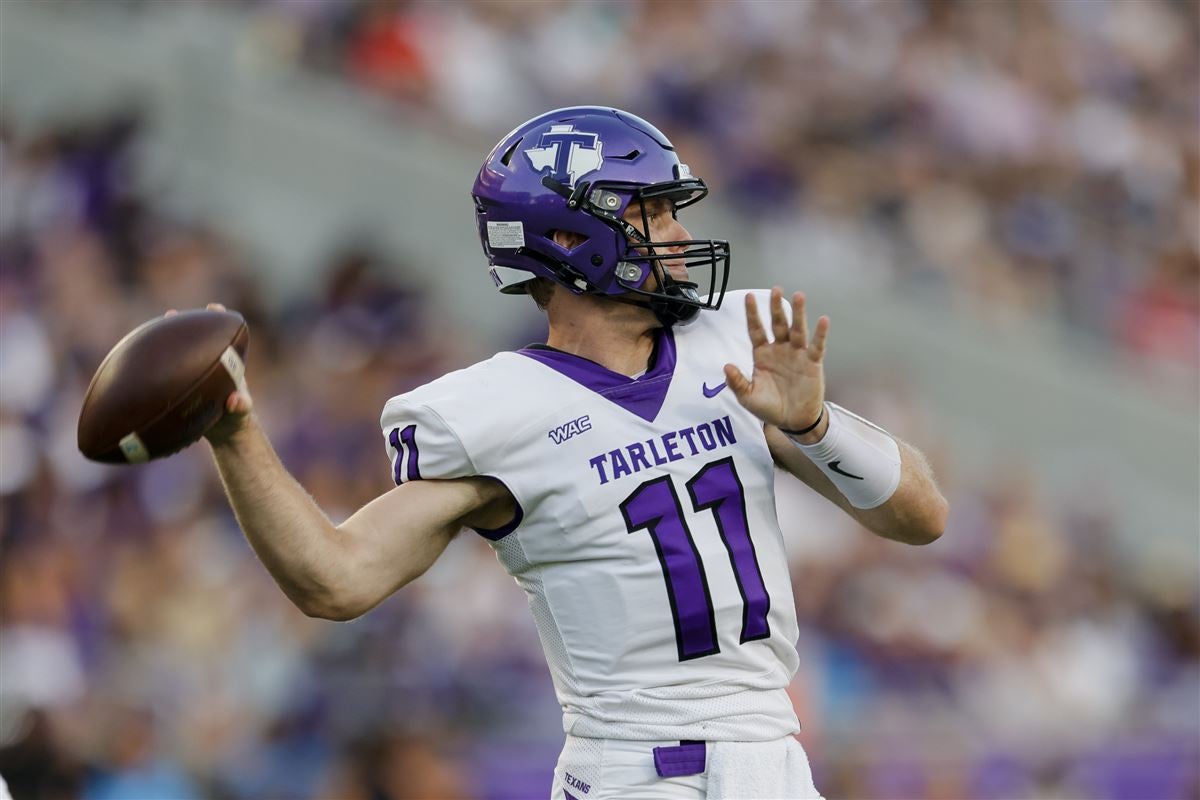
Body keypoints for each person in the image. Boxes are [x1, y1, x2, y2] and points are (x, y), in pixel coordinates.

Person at [202, 106, 948, 799]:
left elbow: (923, 517)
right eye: (649, 211)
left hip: (775, 761)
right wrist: (235, 434)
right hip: (636, 773)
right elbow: (336, 579)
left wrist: (816, 424)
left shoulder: (731, 348)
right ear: (567, 239)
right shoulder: (497, 412)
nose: (679, 234)